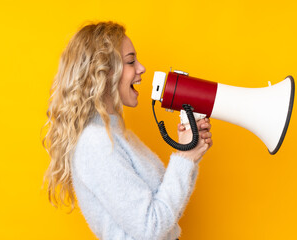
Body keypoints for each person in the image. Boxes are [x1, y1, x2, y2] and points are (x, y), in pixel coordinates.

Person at [42, 21, 212, 240]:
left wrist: (191, 154)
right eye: (131, 61)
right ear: (102, 73)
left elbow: (167, 210)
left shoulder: (120, 136)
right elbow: (150, 229)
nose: (141, 68)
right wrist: (185, 158)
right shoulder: (96, 142)